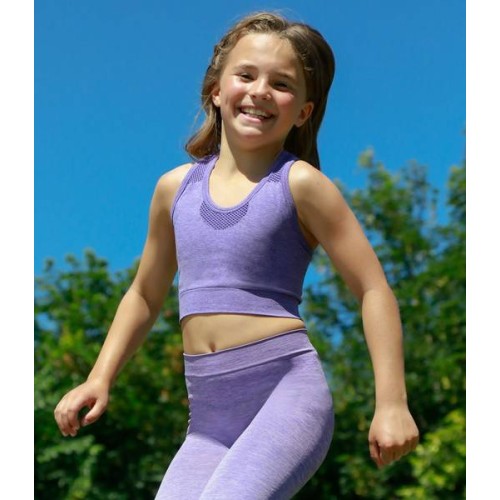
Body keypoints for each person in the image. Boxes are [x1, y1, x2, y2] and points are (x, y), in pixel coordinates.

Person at [54, 11, 419, 499]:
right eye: (246, 75)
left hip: (286, 395)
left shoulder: (300, 185)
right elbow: (144, 294)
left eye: (282, 84)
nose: (260, 91)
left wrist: (391, 402)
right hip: (208, 418)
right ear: (216, 90)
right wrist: (99, 378)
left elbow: (373, 289)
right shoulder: (174, 190)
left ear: (303, 112)